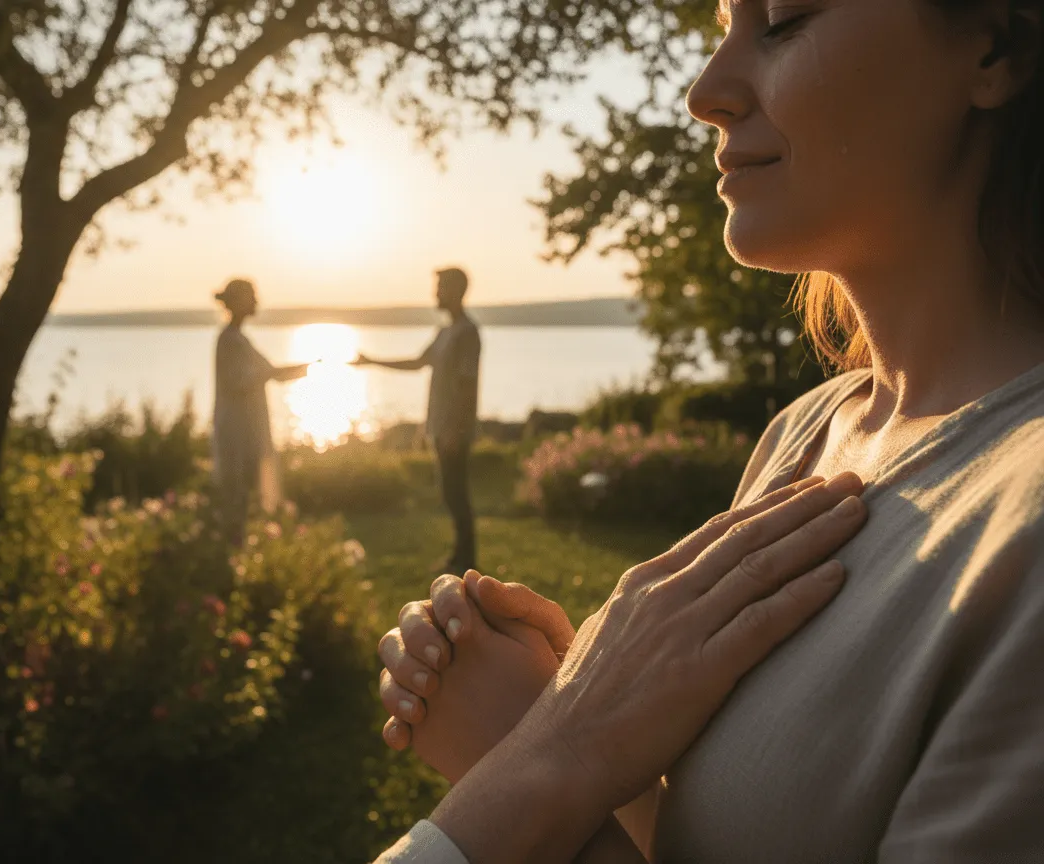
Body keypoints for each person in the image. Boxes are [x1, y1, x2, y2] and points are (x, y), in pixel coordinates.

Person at [374, 0, 1044, 860]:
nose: (706, 92)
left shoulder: (1024, 531)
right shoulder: (807, 434)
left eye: (784, 20)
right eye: (722, 26)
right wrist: (585, 715)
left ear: (992, 46)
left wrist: (535, 768)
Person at [357, 267, 481, 574]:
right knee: (450, 493)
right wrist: (372, 361)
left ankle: (466, 560)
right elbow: (416, 362)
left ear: (456, 290)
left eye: (440, 288)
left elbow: (466, 386)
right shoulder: (445, 332)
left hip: (453, 429)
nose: (434, 294)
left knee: (457, 494)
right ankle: (459, 556)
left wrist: (456, 429)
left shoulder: (467, 333)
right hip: (440, 426)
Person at [212, 278, 311, 542]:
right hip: (235, 428)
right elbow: (240, 380)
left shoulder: (239, 338)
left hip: (244, 428)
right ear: (236, 302)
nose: (257, 301)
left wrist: (311, 367)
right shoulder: (229, 340)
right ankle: (232, 550)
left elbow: (271, 372)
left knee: (243, 491)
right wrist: (272, 373)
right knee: (235, 490)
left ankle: (237, 548)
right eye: (251, 296)